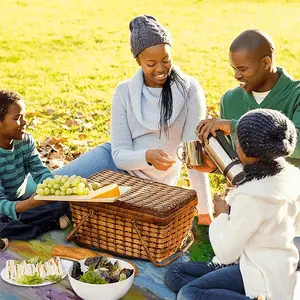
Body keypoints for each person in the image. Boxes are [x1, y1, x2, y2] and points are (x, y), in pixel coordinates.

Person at [27, 15, 213, 224]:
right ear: (138, 61)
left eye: (166, 59)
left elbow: (193, 156)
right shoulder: (124, 92)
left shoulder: (189, 90)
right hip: (113, 163)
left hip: (151, 186)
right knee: (47, 189)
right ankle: (10, 200)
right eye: (151, 63)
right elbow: (119, 155)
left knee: (79, 212)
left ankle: (59, 215)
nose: (160, 68)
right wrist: (146, 156)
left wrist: (205, 212)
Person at [166, 108, 300, 300]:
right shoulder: (292, 177)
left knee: (189, 293)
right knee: (176, 273)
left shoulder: (251, 196)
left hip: (258, 274)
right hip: (275, 266)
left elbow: (226, 252)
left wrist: (222, 215)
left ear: (243, 150)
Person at [195, 29, 300, 172]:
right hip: (250, 190)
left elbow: (296, 143)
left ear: (266, 63)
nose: (236, 75)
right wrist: (215, 167)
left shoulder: (296, 95)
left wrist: (235, 127)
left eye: (242, 69)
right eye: (234, 68)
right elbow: (238, 162)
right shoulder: (230, 100)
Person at [0, 90, 70, 245]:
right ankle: (48, 224)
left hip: (20, 202)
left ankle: (13, 231)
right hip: (5, 207)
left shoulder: (25, 141)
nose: (25, 122)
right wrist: (30, 204)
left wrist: (53, 190)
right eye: (17, 118)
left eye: (24, 116)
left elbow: (40, 171)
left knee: (64, 203)